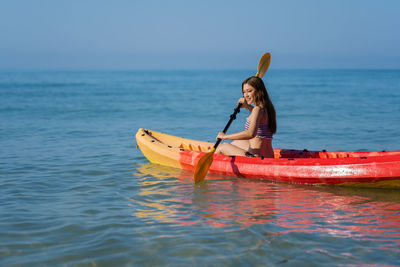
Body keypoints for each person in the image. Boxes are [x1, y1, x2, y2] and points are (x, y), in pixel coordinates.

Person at [215, 76, 277, 158]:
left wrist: (224, 137)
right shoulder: (267, 108)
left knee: (223, 146)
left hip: (256, 157)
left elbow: (250, 134)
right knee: (235, 143)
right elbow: (259, 117)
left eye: (249, 91)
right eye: (244, 92)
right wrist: (248, 106)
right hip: (269, 156)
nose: (245, 95)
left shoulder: (257, 109)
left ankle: (203, 159)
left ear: (259, 91)